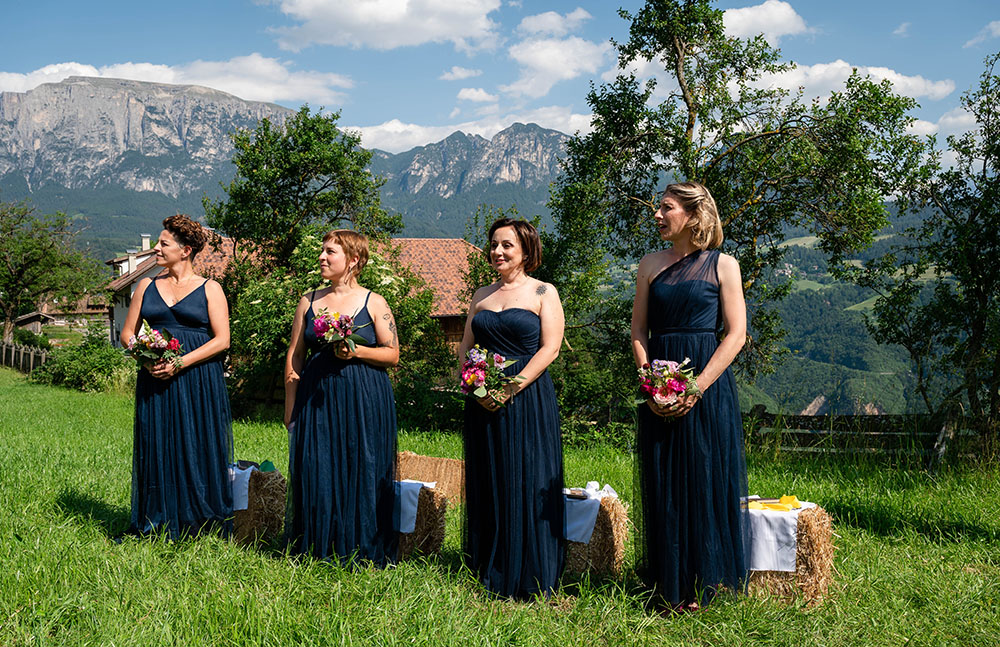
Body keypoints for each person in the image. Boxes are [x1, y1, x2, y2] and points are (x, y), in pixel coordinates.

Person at [630, 181, 750, 610]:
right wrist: (651, 384)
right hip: (659, 380)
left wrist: (697, 387)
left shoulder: (724, 265)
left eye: (666, 209)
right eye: (658, 209)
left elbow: (736, 335)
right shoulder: (649, 264)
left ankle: (705, 583)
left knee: (703, 475)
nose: (658, 216)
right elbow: (639, 331)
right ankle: (668, 582)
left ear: (693, 215)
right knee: (663, 477)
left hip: (707, 382)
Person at [459, 217, 566, 599]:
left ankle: (531, 574)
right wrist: (474, 385)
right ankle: (489, 563)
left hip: (527, 395)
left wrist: (510, 388)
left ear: (526, 250)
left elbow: (550, 348)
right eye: (493, 244)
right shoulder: (480, 295)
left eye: (506, 245)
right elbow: (465, 347)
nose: (498, 251)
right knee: (489, 475)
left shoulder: (543, 292)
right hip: (481, 398)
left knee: (528, 474)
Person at [284, 229, 400, 564]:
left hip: (363, 396)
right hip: (316, 396)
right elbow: (295, 355)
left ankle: (359, 543)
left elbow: (392, 354)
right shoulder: (308, 301)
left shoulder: (373, 302)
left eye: (329, 252)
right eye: (322, 251)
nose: (321, 257)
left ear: (353, 260)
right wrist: (291, 409)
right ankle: (320, 543)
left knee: (361, 464)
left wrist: (357, 351)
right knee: (317, 464)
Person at [121, 214, 233, 538]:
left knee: (198, 443)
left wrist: (180, 362)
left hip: (198, 379)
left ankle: (198, 519)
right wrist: (144, 359)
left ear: (185, 250)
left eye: (163, 243)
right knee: (156, 442)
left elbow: (222, 339)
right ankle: (157, 518)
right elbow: (128, 331)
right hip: (154, 377)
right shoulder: (146, 285)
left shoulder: (211, 289)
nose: (156, 248)